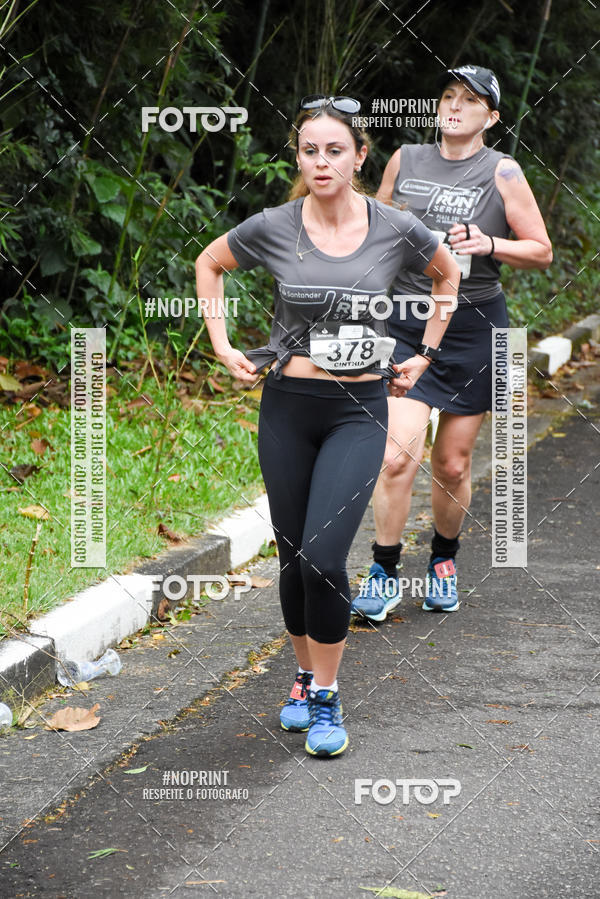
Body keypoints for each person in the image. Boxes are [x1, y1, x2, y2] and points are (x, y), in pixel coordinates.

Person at [195, 95, 459, 757]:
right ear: (299, 156)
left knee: (322, 554)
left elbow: (447, 275)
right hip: (286, 407)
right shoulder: (277, 225)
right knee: (292, 558)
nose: (321, 161)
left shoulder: (394, 227)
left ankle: (328, 697)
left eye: (334, 149)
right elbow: (210, 263)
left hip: (358, 410)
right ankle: (303, 674)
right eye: (309, 149)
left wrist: (422, 354)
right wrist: (224, 345)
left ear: (360, 155)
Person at [351, 65, 552, 622]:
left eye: (469, 100)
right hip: (405, 322)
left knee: (455, 464)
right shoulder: (405, 159)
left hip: (474, 327)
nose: (454, 106)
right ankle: (384, 569)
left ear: (491, 116)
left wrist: (490, 242)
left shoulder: (503, 171)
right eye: (447, 96)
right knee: (394, 456)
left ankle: (442, 560)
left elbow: (541, 250)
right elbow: (375, 228)